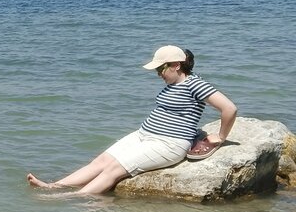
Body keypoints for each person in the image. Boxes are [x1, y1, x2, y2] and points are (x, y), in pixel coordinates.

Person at [27, 45, 238, 196]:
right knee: (101, 161)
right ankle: (54, 186)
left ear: (175, 65)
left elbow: (229, 108)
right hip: (144, 135)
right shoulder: (173, 85)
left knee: (114, 170)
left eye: (160, 68)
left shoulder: (195, 84)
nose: (157, 74)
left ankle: (69, 198)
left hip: (169, 144)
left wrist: (219, 137)